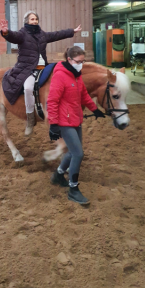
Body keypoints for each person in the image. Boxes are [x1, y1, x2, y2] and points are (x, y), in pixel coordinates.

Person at [0, 11, 81, 135]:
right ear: (27, 21)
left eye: (36, 19)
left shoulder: (42, 34)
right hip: (28, 69)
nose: (35, 21)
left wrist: (72, 31)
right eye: (32, 19)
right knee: (27, 88)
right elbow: (13, 36)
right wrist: (6, 32)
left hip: (44, 68)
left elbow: (56, 34)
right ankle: (30, 119)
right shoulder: (22, 34)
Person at [47, 46, 105, 206]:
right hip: (64, 122)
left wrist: (95, 109)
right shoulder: (60, 76)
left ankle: (58, 175)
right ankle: (73, 189)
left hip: (76, 119)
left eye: (83, 61)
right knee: (78, 154)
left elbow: (84, 95)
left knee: (73, 152)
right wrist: (53, 124)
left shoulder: (76, 75)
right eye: (79, 61)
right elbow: (52, 101)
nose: (81, 64)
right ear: (70, 60)